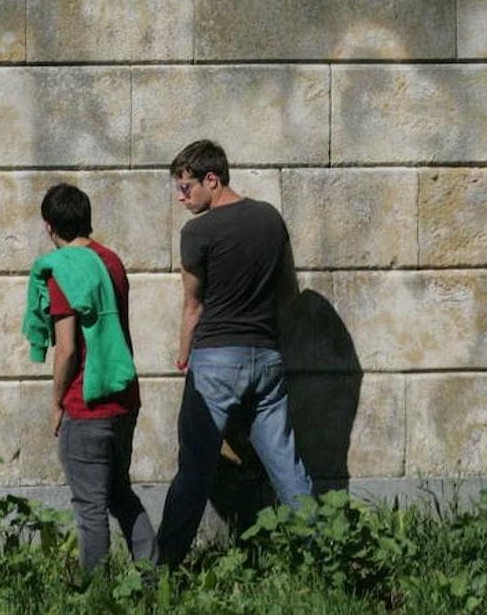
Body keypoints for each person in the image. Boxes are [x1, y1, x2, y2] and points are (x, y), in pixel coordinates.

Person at [155, 140, 312, 566]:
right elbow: (288, 294)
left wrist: (183, 355)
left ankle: (160, 572)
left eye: (186, 187)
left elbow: (193, 305)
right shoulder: (270, 219)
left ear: (213, 179)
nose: (180, 196)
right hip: (267, 358)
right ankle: (325, 558)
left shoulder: (198, 232)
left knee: (194, 471)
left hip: (216, 361)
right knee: (288, 469)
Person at [22, 183, 154, 571]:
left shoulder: (64, 270)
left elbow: (66, 349)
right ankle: (152, 577)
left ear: (49, 227)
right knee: (120, 494)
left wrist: (56, 403)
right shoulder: (111, 260)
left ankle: (96, 597)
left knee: (90, 507)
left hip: (87, 403)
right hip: (124, 399)